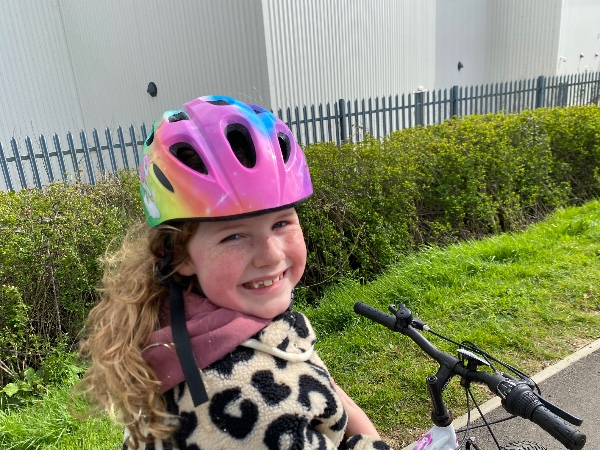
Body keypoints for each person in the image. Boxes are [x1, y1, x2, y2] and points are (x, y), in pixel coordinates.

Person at [77, 95, 391, 450]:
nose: (271, 256)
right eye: (235, 236)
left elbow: (325, 387)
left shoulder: (194, 327)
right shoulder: (249, 404)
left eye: (281, 223)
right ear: (179, 255)